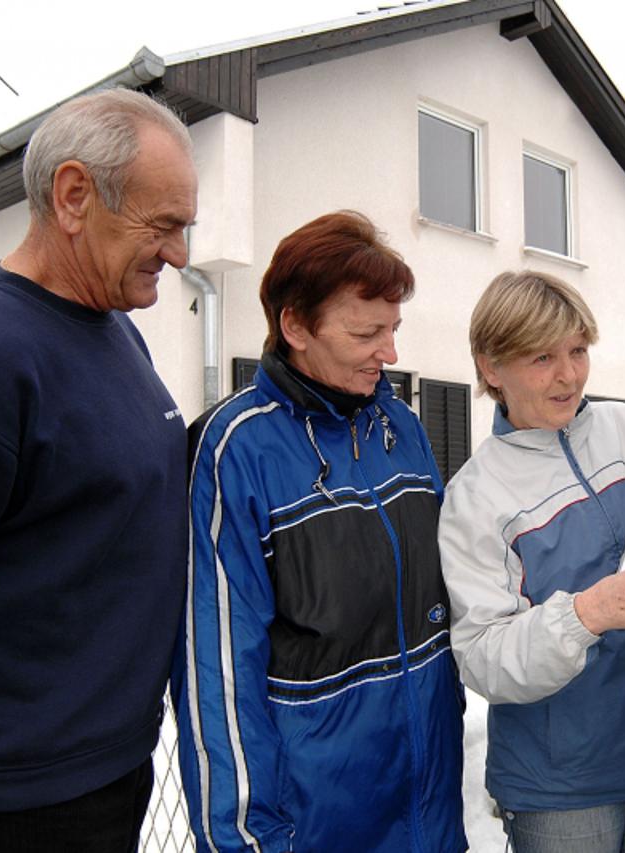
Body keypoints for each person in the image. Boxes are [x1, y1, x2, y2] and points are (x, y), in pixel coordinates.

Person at [0, 89, 194, 851]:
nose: (180, 255)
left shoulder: (117, 331)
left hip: (104, 774)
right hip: (5, 804)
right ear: (75, 195)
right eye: (164, 226)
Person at [174, 211, 465, 852]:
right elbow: (219, 673)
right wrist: (246, 837)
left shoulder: (401, 428)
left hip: (428, 811)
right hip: (315, 823)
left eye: (394, 329)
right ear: (296, 327)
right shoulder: (234, 451)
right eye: (367, 333)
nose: (390, 354)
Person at [438, 270, 625, 853]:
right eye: (542, 357)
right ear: (492, 369)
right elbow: (483, 658)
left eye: (577, 350)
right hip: (565, 786)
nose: (568, 375)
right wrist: (590, 613)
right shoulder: (475, 495)